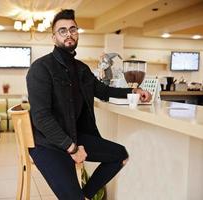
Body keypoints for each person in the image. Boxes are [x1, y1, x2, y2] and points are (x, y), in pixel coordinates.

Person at [26, 9, 151, 200]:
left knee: (120, 155)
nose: (69, 34)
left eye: (73, 29)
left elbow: (104, 91)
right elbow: (41, 118)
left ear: (77, 33)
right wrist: (72, 148)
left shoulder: (81, 69)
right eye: (62, 30)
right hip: (47, 143)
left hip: (74, 135)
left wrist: (133, 91)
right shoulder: (40, 68)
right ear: (53, 37)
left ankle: (85, 196)